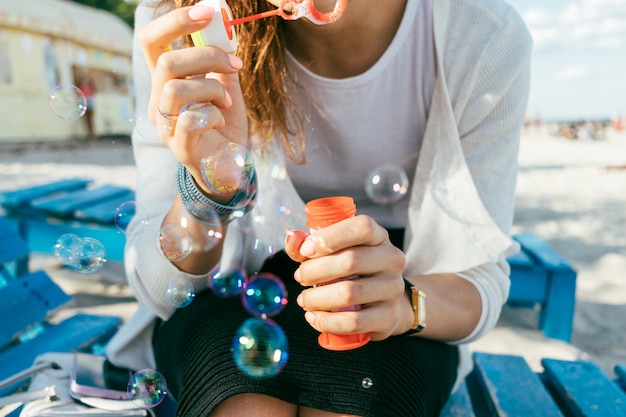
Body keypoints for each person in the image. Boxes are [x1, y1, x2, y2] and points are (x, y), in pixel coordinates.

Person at [105, 0, 532, 416]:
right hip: (231, 284)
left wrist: (404, 304)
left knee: (358, 401)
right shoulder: (184, 15)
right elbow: (163, 289)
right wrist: (209, 185)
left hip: (396, 285)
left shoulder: (484, 34)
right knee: (247, 407)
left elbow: (476, 281)